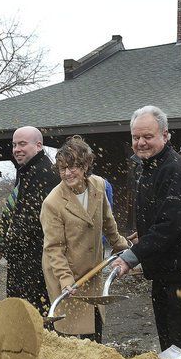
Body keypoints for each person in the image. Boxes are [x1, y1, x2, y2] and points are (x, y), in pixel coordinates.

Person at [111, 105, 181, 354]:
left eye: (148, 137)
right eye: (136, 137)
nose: (141, 143)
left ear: (165, 136)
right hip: (166, 274)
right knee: (169, 347)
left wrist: (131, 257)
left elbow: (169, 225)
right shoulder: (151, 168)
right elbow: (160, 216)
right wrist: (142, 234)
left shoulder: (176, 171)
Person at [40, 136, 129, 343]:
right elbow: (54, 248)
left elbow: (108, 220)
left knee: (94, 325)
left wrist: (120, 245)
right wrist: (65, 279)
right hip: (66, 271)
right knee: (70, 330)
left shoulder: (97, 186)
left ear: (86, 165)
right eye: (63, 168)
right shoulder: (53, 203)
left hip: (92, 268)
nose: (68, 173)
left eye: (73, 167)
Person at [0, 126, 60, 316]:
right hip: (23, 257)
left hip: (37, 261)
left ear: (38, 145)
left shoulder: (44, 173)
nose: (17, 149)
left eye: (22, 144)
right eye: (14, 145)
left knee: (32, 315)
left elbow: (30, 221)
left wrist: (1, 248)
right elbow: (16, 214)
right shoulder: (27, 171)